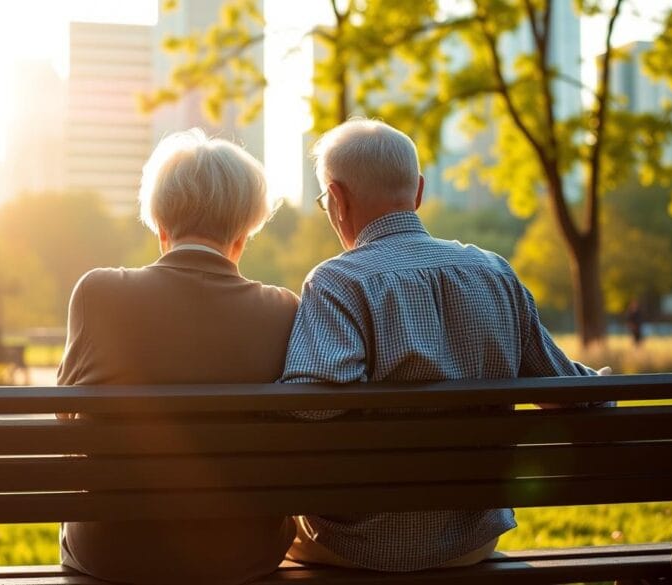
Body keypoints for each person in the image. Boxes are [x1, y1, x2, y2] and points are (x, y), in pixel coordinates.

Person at [280, 118, 610, 572]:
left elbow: (309, 407)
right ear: (418, 192)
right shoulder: (495, 273)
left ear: (336, 199)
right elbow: (566, 393)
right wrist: (602, 385)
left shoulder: (338, 282)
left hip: (357, 545)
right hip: (470, 541)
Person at [56, 129, 298, 585]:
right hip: (244, 556)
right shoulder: (282, 309)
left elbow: (69, 421)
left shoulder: (98, 293)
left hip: (113, 554)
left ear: (161, 228)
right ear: (243, 235)